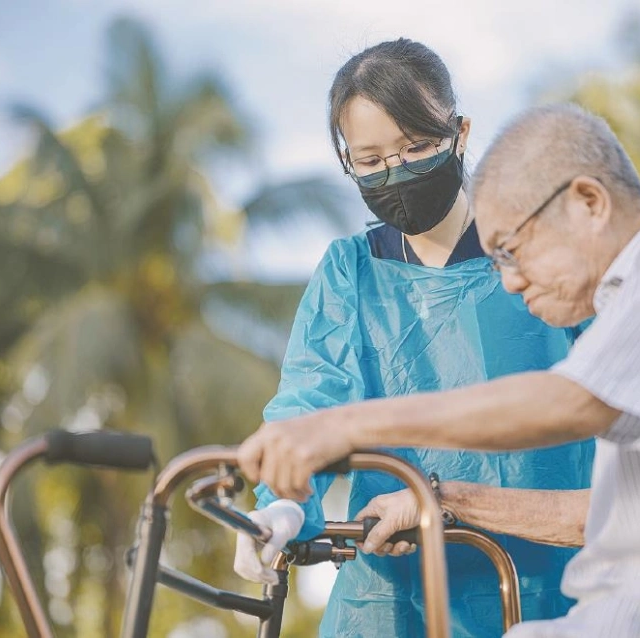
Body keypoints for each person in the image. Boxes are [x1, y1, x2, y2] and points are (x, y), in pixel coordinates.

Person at [237, 103, 640, 637]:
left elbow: (570, 403)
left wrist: (343, 429)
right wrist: (441, 498)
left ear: (588, 202)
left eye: (510, 249)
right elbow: (591, 516)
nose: (507, 279)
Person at [233, 40, 596, 638]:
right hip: (391, 593)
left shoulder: (536, 256)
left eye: (417, 147)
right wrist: (283, 505)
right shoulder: (351, 270)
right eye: (370, 160)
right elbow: (311, 402)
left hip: (541, 581)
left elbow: (623, 403)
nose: (396, 172)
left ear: (460, 132)